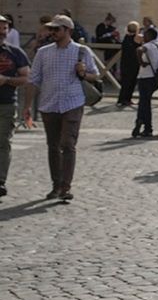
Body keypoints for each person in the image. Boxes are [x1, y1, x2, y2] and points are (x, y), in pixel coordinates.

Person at [28, 15, 101, 202]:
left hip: (72, 102)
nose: (52, 32)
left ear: (68, 30)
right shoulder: (43, 52)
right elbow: (34, 79)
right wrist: (27, 105)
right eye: (51, 29)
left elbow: (95, 75)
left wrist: (83, 72)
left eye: (56, 29)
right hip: (49, 103)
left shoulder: (82, 51)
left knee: (68, 144)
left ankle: (66, 187)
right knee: (53, 146)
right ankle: (56, 185)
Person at [0, 20, 30, 198]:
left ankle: (0, 181)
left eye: (4, 28)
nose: (2, 31)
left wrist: (6, 80)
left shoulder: (16, 53)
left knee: (2, 142)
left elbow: (26, 77)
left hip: (6, 104)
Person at [131, 28, 158, 138]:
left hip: (145, 76)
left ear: (149, 36)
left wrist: (141, 62)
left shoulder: (148, 46)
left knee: (144, 102)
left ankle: (145, 125)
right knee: (144, 102)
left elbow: (139, 50)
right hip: (156, 77)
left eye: (145, 35)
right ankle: (142, 123)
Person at [115, 21, 142, 107]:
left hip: (125, 61)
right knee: (131, 82)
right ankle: (126, 99)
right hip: (134, 62)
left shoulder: (126, 37)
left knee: (125, 82)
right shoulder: (137, 37)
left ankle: (123, 99)